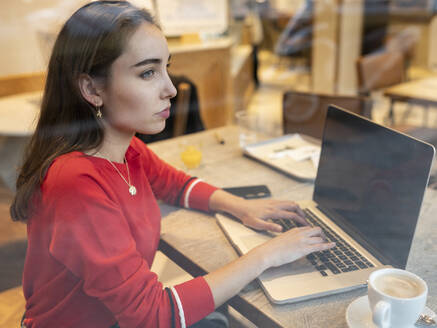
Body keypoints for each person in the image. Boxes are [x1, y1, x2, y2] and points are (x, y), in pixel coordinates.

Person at [10, 1, 334, 327]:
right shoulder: (75, 181)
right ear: (92, 89)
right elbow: (154, 314)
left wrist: (240, 207)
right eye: (148, 72)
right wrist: (266, 256)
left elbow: (175, 184)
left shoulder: (125, 149)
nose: (171, 88)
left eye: (166, 67)